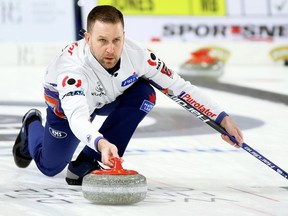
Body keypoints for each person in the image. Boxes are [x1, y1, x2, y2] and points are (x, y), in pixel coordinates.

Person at [13, 5, 243, 185]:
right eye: (102, 41)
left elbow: (180, 87)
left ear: (124, 35)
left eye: (117, 40)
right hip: (68, 106)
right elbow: (77, 118)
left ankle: (88, 161)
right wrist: (101, 141)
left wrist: (222, 118)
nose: (111, 49)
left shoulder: (139, 55)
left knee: (145, 94)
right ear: (87, 37)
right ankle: (31, 124)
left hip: (107, 97)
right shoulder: (71, 69)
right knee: (49, 166)